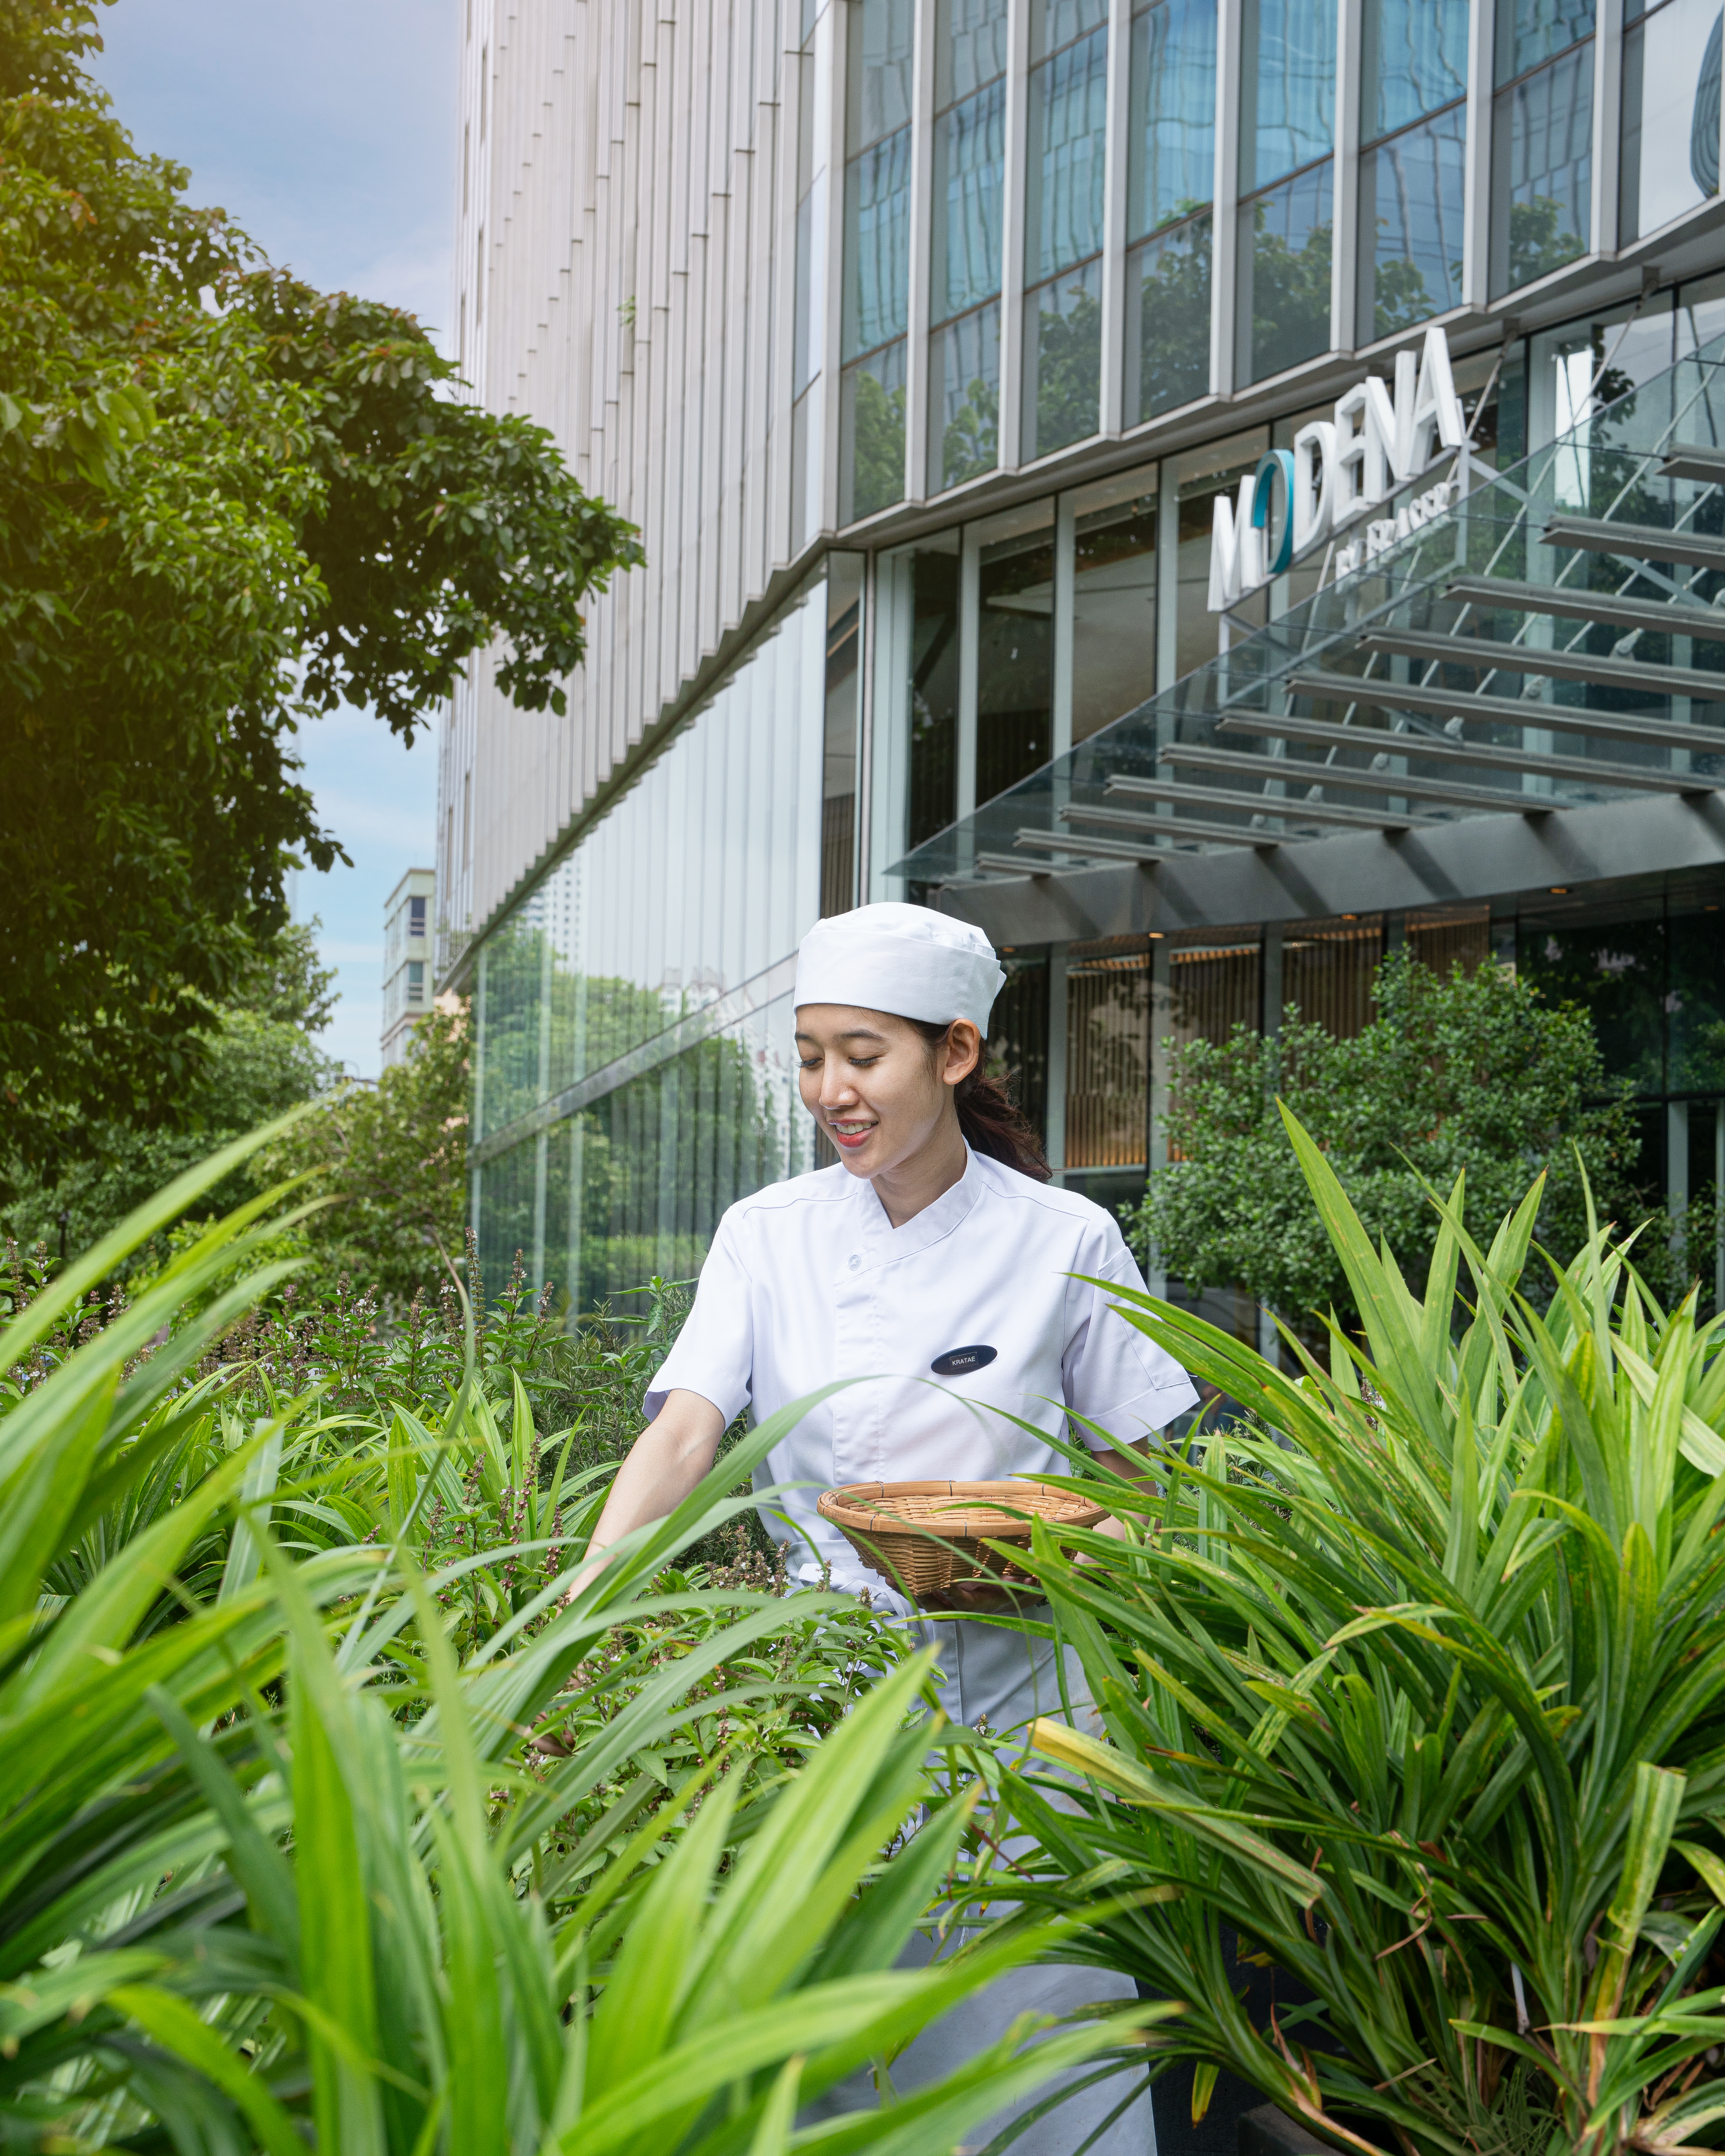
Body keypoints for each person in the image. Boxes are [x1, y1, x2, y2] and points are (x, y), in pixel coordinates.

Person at [579, 902, 1197, 2152]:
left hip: (1028, 1720)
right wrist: (581, 1598)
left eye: (864, 1056)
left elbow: (1148, 1483)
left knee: (1032, 2056)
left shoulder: (1066, 1238)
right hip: (824, 1707)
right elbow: (686, 1432)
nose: (832, 1091)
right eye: (811, 1058)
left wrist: (1072, 1557)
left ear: (954, 1056)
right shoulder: (768, 1235)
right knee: (828, 2051)